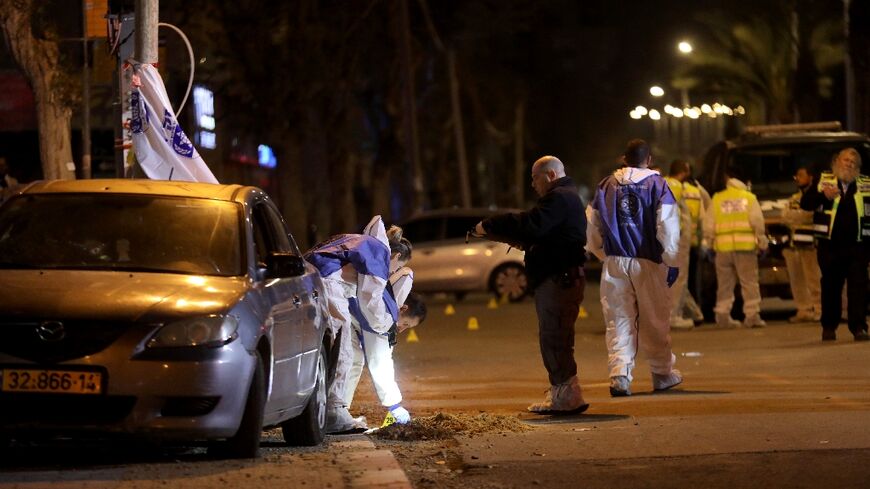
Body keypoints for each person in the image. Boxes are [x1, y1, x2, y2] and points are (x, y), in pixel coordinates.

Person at [473, 155, 589, 414]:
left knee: (554, 337)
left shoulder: (559, 198)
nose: (533, 185)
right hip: (564, 277)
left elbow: (531, 224)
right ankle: (566, 391)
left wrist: (491, 224)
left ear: (549, 175)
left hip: (559, 279)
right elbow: (545, 234)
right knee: (558, 337)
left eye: (534, 178)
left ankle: (565, 395)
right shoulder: (567, 197)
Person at [586, 139, 683, 397]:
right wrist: (672, 261)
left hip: (615, 262)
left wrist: (603, 254)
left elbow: (591, 227)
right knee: (654, 318)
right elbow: (668, 226)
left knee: (618, 320)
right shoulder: (658, 185)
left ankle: (620, 374)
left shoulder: (605, 186)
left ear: (623, 159)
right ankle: (662, 373)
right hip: (649, 261)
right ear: (648, 159)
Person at [305, 215, 413, 432]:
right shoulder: (378, 254)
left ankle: (331, 409)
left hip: (310, 278)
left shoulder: (362, 242)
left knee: (342, 350)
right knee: (342, 348)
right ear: (396, 255)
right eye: (395, 268)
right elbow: (371, 303)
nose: (390, 273)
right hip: (326, 282)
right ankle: (333, 412)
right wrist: (386, 323)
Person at [800, 148, 870, 342]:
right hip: (830, 247)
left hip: (858, 247)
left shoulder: (866, 184)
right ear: (837, 161)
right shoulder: (825, 181)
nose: (849, 164)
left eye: (853, 162)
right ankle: (829, 326)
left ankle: (859, 327)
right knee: (830, 287)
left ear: (857, 168)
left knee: (859, 287)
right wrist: (824, 196)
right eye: (846, 160)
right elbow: (806, 203)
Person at [343, 267, 428, 426]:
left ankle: (338, 411)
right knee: (350, 361)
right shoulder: (382, 316)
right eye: (405, 324)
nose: (401, 329)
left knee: (353, 360)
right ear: (403, 308)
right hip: (336, 311)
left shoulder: (386, 299)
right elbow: (380, 361)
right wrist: (394, 405)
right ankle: (335, 413)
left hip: (344, 313)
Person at [703, 167, 769, 329]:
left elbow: (708, 224)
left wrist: (710, 244)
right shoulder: (749, 198)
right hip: (745, 247)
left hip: (723, 249)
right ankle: (752, 316)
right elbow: (757, 222)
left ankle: (723, 315)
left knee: (724, 284)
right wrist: (762, 242)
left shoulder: (718, 198)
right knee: (749, 283)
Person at [781, 166, 822, 323]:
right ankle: (803, 309)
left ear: (811, 177)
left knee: (814, 279)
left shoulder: (816, 196)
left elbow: (810, 215)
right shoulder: (795, 198)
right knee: (797, 279)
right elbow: (784, 216)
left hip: (812, 244)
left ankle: (819, 309)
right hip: (795, 244)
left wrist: (797, 216)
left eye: (800, 175)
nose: (797, 178)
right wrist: (799, 216)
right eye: (796, 175)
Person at [663, 160, 700, 329]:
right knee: (679, 278)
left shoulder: (659, 182)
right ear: (684, 172)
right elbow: (680, 214)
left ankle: (687, 312)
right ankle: (673, 317)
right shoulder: (678, 187)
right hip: (676, 238)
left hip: (661, 238)